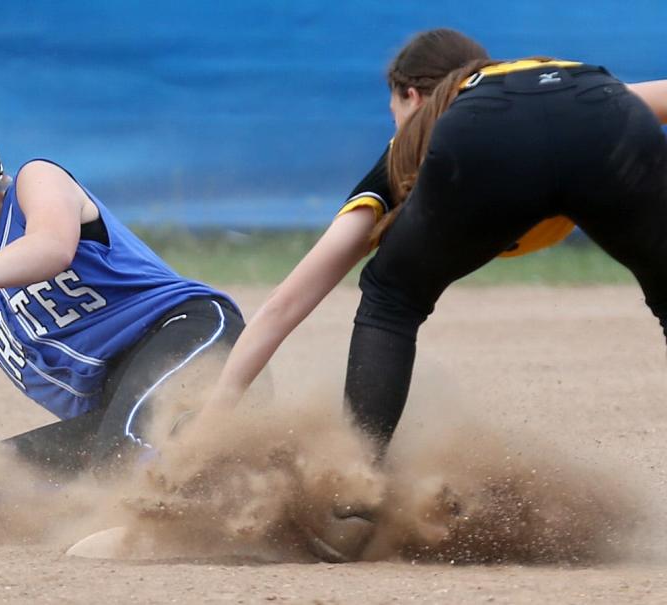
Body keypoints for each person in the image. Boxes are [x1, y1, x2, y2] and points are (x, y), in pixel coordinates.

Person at [197, 29, 667, 559]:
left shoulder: (419, 141)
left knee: (389, 297)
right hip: (607, 121)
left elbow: (289, 301)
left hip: (489, 140)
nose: (395, 124)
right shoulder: (571, 86)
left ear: (413, 98)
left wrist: (218, 409)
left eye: (393, 109)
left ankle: (356, 494)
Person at [0, 89, 244, 477]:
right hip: (113, 418)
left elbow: (52, 247)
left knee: (123, 456)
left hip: (190, 341)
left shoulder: (36, 183)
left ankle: (211, 481)